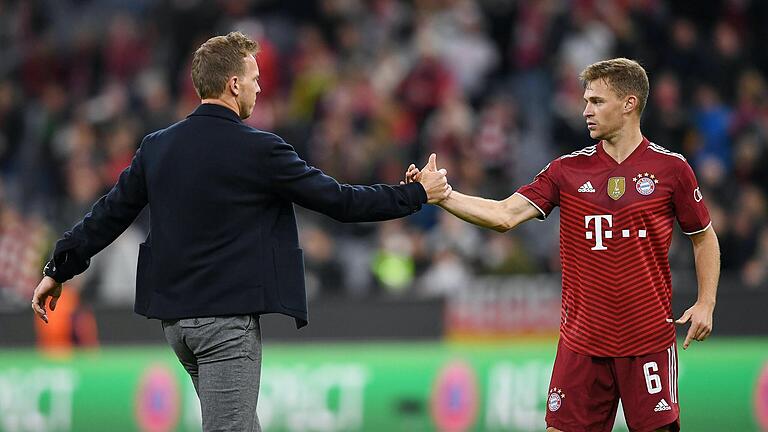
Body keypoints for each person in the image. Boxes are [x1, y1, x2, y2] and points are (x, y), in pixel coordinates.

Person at [31, 31, 451, 432]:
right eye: (254, 79)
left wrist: (58, 266)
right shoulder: (261, 149)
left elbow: (108, 213)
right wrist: (415, 194)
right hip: (224, 325)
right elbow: (340, 202)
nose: (259, 88)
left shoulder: (157, 147)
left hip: (177, 323)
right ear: (233, 84)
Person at [407, 58, 720, 432]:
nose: (586, 111)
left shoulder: (672, 169)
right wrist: (443, 196)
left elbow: (703, 236)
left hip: (647, 340)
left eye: (597, 101)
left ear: (629, 104)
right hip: (582, 343)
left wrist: (706, 302)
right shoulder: (566, 170)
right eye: (586, 101)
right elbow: (505, 214)